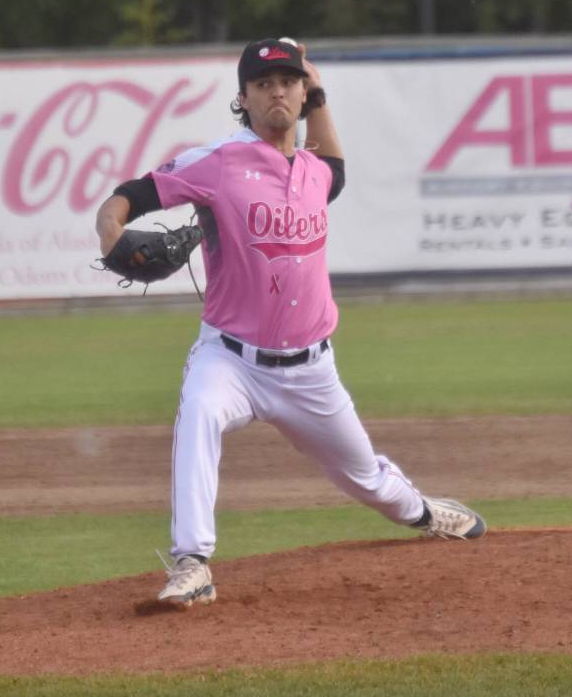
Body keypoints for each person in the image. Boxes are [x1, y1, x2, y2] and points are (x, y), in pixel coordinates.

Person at [95, 37, 486, 607]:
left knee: (368, 480)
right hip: (229, 358)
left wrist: (320, 88)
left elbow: (337, 170)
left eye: (287, 82)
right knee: (198, 412)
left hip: (310, 370)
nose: (276, 91)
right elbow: (132, 195)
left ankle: (424, 511)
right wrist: (109, 227)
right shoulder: (219, 162)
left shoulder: (314, 173)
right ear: (244, 99)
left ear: (302, 94)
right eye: (262, 84)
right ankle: (191, 563)